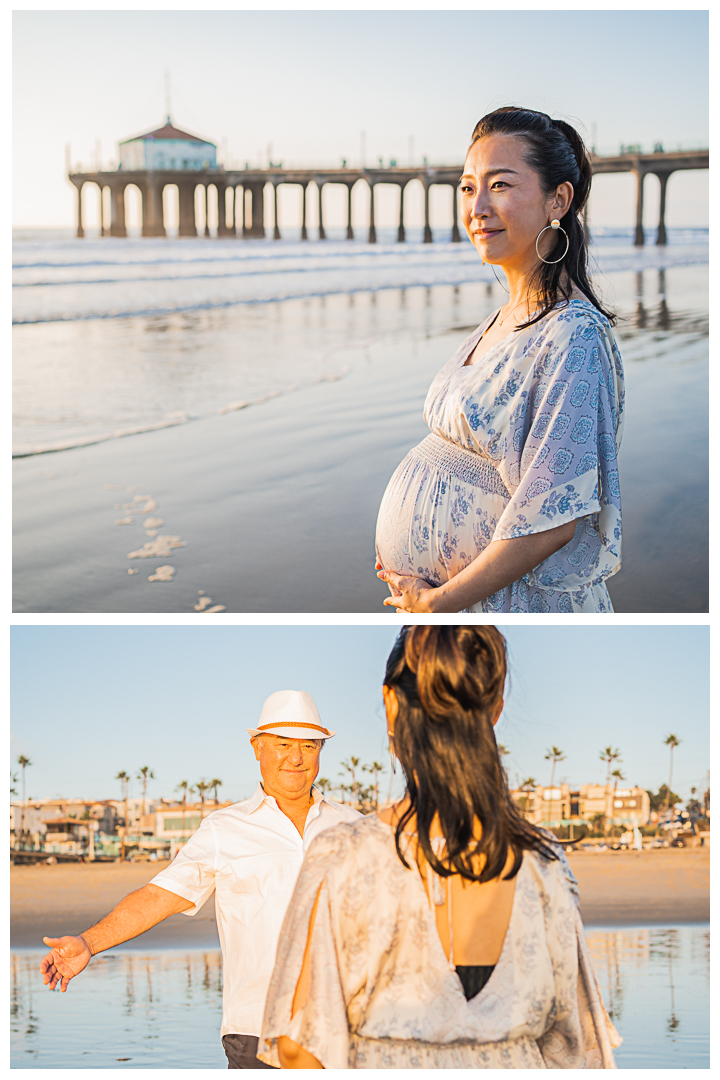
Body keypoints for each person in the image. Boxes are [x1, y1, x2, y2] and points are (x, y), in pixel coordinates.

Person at [258, 626, 621, 1069]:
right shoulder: (542, 859)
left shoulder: (344, 856)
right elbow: (576, 1047)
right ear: (495, 710)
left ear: (391, 704)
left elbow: (300, 1046)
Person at [375, 106, 625, 613]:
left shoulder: (573, 334)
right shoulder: (506, 316)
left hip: (515, 607)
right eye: (468, 188)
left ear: (559, 199)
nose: (477, 207)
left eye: (501, 185)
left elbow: (553, 519)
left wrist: (440, 601)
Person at [39, 690, 361, 1070]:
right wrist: (88, 943)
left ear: (321, 750)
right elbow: (161, 896)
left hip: (348, 1028)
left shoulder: (354, 826)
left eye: (308, 745)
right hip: (258, 1029)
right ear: (257, 748)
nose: (295, 757)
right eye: (282, 744)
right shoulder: (224, 829)